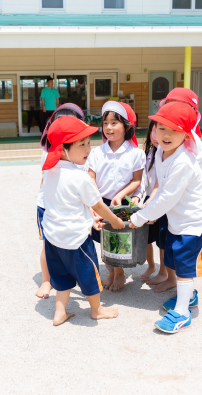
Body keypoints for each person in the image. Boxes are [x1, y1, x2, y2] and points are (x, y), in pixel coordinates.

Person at [129, 102, 202, 334]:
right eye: (161, 128)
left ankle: (181, 313)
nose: (166, 135)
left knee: (185, 266)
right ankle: (189, 296)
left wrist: (141, 217)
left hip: (196, 223)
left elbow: (168, 197)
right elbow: (162, 188)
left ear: (186, 135)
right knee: (178, 261)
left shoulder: (183, 162)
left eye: (174, 130)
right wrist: (148, 207)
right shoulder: (161, 151)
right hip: (180, 220)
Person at [42, 116, 123, 326]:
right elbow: (97, 204)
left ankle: (59, 312)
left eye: (88, 143)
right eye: (82, 144)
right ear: (62, 149)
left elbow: (66, 203)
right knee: (89, 273)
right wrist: (114, 220)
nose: (88, 149)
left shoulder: (49, 171)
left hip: (53, 237)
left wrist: (89, 218)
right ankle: (96, 310)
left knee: (60, 276)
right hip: (76, 240)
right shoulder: (79, 177)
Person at [87, 101, 145, 291]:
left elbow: (137, 180)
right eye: (105, 123)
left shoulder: (135, 153)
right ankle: (111, 272)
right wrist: (94, 200)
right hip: (101, 201)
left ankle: (119, 272)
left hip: (120, 204)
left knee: (119, 239)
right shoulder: (96, 153)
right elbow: (91, 177)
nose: (108, 127)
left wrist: (120, 195)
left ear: (127, 126)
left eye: (114, 123)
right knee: (104, 239)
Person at [36, 103, 85, 299]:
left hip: (71, 206)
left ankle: (75, 278)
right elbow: (44, 180)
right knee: (48, 245)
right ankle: (46, 281)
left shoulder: (82, 152)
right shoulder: (48, 153)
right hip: (47, 206)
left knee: (75, 243)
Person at [130, 120, 172, 290]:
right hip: (147, 201)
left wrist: (150, 202)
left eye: (160, 131)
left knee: (162, 240)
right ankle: (151, 265)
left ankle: (163, 271)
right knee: (146, 237)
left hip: (163, 202)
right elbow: (142, 181)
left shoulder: (169, 155)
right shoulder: (146, 154)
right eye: (154, 132)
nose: (157, 137)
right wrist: (138, 198)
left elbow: (161, 186)